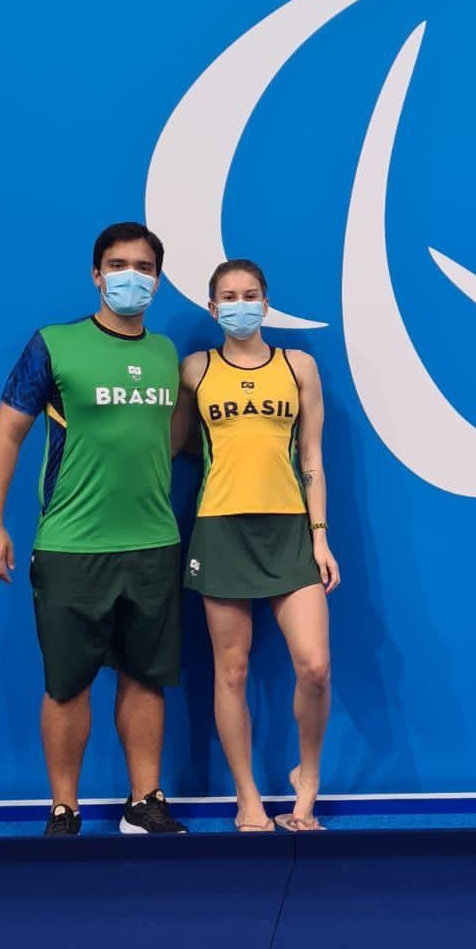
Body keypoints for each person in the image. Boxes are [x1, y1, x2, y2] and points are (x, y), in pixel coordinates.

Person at [0, 222, 187, 836]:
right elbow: (7, 435)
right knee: (67, 684)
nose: (131, 276)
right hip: (71, 546)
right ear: (96, 275)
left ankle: (144, 802)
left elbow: (170, 439)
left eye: (144, 267)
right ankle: (63, 809)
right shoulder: (53, 344)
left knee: (146, 678)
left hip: (153, 544)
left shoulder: (166, 353)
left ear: (157, 279)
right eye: (118, 265)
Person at [172, 258, 339, 833]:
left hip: (290, 531)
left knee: (314, 667)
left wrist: (320, 537)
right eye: (227, 296)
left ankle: (306, 782)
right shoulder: (195, 369)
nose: (239, 304)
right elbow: (173, 447)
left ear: (265, 303)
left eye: (250, 294)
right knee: (232, 671)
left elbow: (312, 457)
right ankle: (247, 796)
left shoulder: (299, 367)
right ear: (213, 307)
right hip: (219, 529)